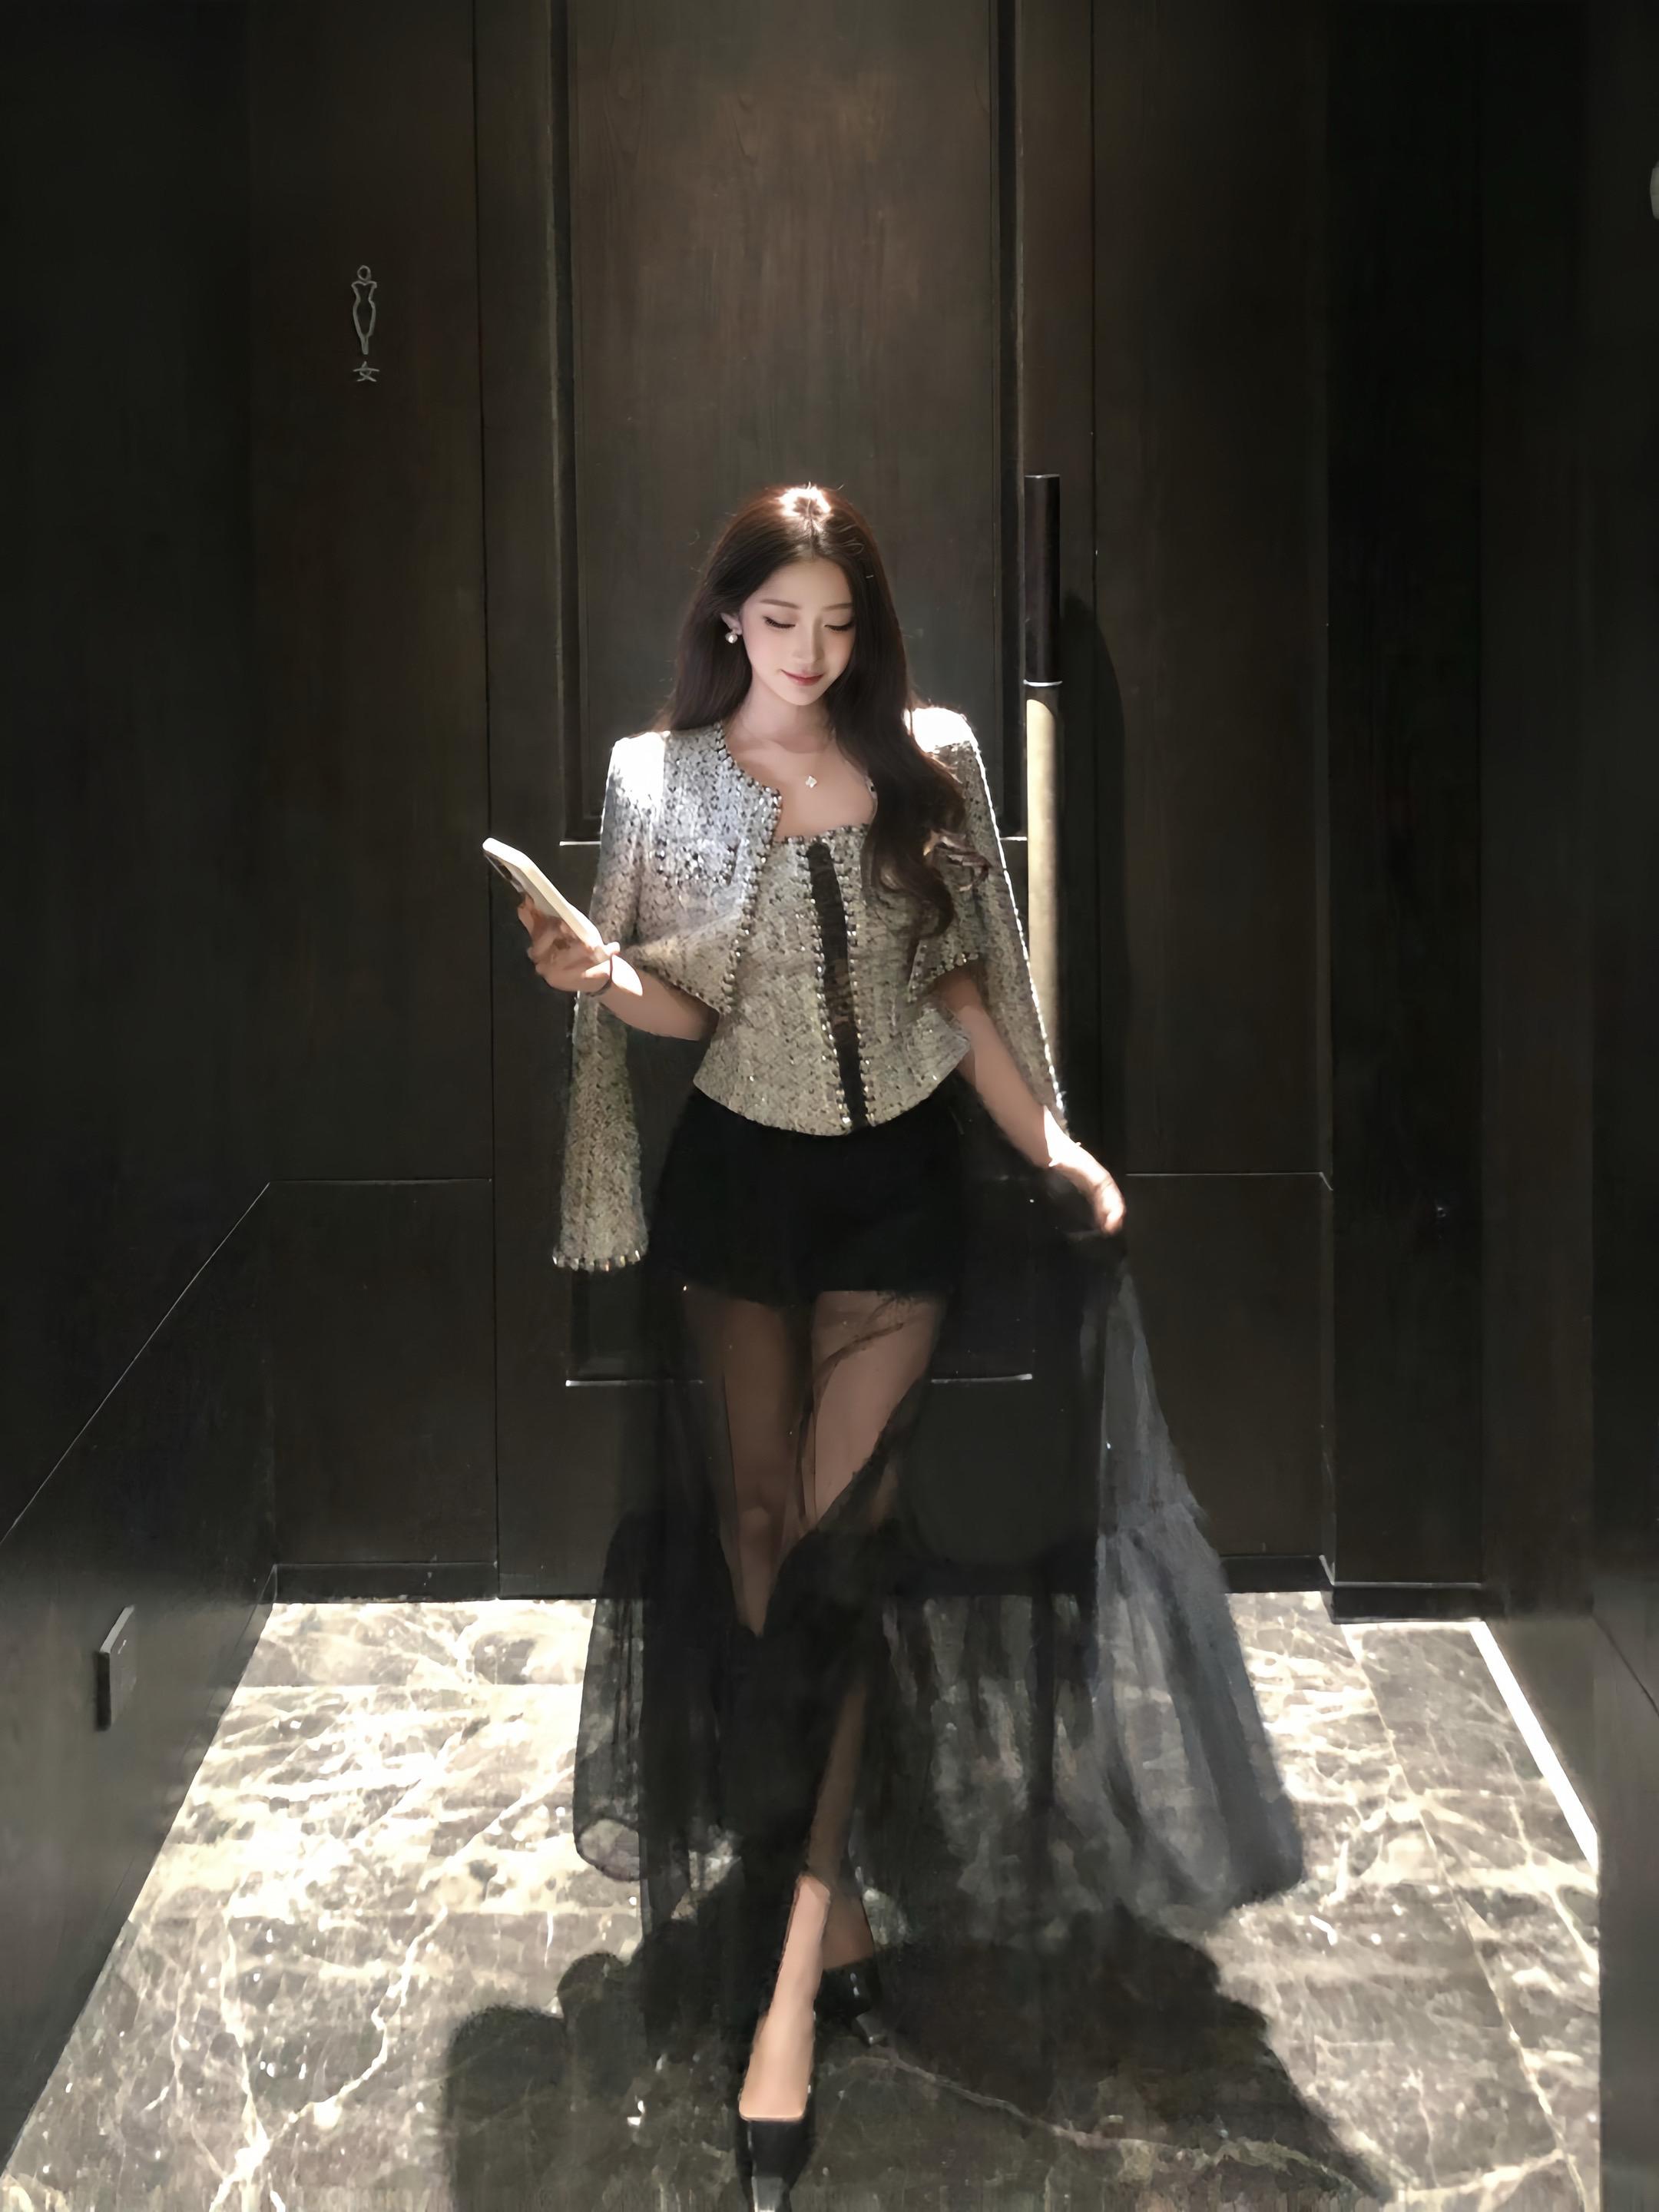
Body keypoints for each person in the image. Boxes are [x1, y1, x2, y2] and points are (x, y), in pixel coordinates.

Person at [519, 482, 1303, 2209]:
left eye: (837, 622)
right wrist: (595, 977)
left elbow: (967, 990)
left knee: (836, 1562)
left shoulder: (929, 759)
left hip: (896, 1202)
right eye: (779, 621)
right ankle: (837, 1900)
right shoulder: (660, 779)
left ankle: (786, 2006)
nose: (809, 652)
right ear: (729, 619)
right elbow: (685, 1003)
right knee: (755, 1545)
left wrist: (1055, 1143)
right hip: (739, 1192)